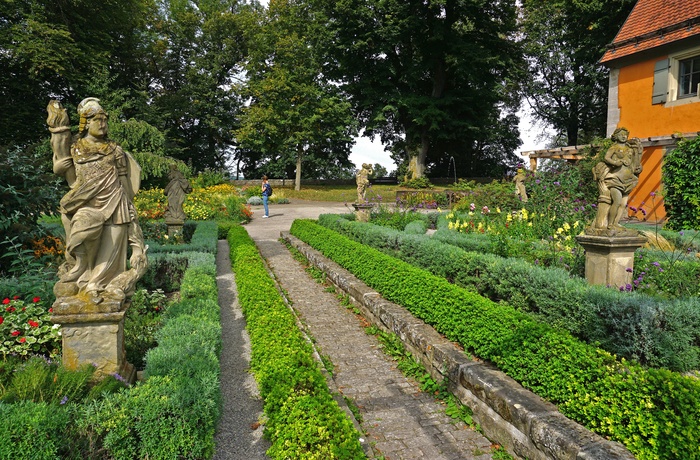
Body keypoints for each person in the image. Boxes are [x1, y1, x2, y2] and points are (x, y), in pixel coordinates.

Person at [47, 98, 147, 304]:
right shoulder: (76, 149)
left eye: (104, 120)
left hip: (115, 201)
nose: (102, 124)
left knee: (110, 255)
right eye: (96, 120)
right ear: (86, 123)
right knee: (81, 233)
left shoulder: (114, 150)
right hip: (86, 204)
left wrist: (129, 208)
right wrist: (59, 166)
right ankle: (81, 271)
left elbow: (123, 181)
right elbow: (72, 181)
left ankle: (96, 285)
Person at [590, 127, 643, 233]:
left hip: (628, 180)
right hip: (615, 179)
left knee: (623, 204)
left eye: (625, 135)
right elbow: (606, 158)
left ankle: (615, 223)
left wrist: (639, 153)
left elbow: (636, 164)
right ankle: (609, 225)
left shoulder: (630, 149)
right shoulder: (614, 147)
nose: (623, 136)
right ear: (616, 136)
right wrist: (615, 163)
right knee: (617, 201)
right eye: (621, 134)